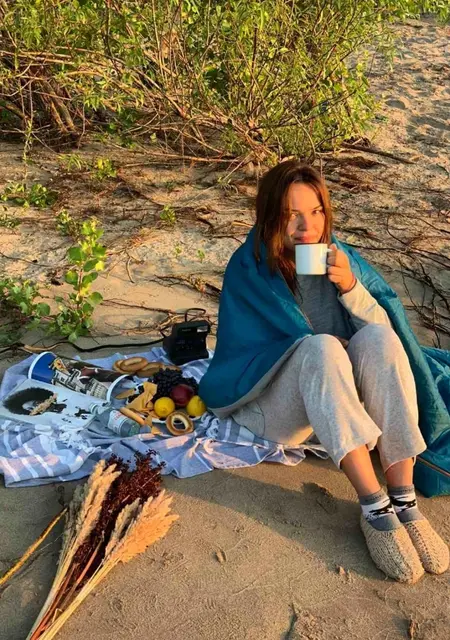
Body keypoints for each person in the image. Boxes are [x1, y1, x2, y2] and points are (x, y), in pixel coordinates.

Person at [199, 160, 449, 583]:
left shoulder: (339, 257)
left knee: (378, 337)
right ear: (270, 216)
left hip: (339, 409)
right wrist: (318, 347)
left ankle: (404, 499)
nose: (307, 226)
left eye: (315, 211)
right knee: (320, 347)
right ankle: (374, 507)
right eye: (291, 214)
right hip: (277, 409)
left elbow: (391, 339)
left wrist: (350, 287)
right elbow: (245, 350)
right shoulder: (249, 268)